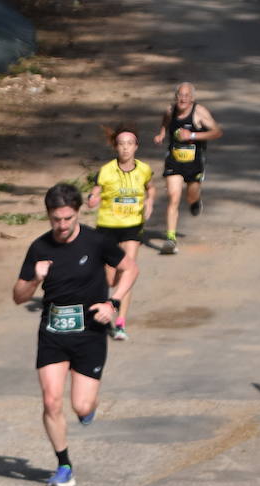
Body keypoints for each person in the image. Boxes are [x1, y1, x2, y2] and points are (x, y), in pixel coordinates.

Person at [12, 183, 138, 486]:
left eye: (68, 218)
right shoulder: (40, 248)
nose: (62, 225)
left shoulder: (96, 242)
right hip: (53, 332)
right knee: (51, 400)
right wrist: (35, 280)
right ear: (48, 215)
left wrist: (113, 302)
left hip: (90, 333)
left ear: (77, 213)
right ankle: (64, 464)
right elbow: (18, 296)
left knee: (81, 406)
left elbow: (130, 268)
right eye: (56, 219)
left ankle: (88, 409)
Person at [86, 124, 153, 341]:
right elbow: (94, 194)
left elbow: (151, 187)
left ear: (136, 147)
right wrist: (92, 199)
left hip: (132, 226)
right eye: (121, 144)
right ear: (116, 147)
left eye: (129, 144)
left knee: (128, 271)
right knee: (111, 278)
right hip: (108, 227)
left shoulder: (144, 169)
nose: (125, 148)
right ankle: (106, 303)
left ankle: (121, 322)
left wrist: (149, 203)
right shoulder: (106, 171)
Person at [153, 82, 223, 254]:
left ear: (192, 98)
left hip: (194, 163)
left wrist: (192, 135)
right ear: (175, 97)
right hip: (174, 162)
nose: (182, 99)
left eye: (186, 96)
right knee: (173, 197)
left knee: (190, 197)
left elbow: (217, 132)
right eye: (179, 95)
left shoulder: (199, 112)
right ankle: (170, 239)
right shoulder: (170, 110)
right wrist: (162, 133)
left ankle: (195, 201)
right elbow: (166, 121)